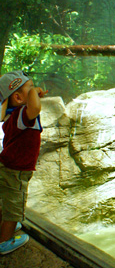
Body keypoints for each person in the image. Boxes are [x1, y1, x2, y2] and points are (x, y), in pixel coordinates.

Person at [0, 70, 48, 254]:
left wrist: (32, 92)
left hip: (7, 164)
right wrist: (34, 93)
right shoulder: (23, 115)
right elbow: (35, 108)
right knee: (14, 206)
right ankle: (4, 241)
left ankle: (3, 227)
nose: (35, 90)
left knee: (4, 202)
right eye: (31, 88)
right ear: (19, 98)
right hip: (16, 170)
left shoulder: (11, 116)